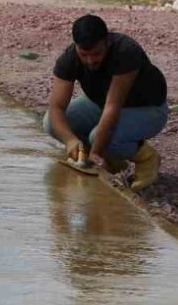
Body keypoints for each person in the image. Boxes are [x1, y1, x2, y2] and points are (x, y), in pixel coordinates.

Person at [43, 14, 168, 191]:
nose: (90, 60)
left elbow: (113, 107)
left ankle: (146, 158)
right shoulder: (68, 58)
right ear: (76, 47)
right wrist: (70, 140)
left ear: (107, 42)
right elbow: (56, 107)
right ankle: (111, 161)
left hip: (148, 108)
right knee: (50, 123)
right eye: (84, 54)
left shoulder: (125, 51)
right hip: (99, 103)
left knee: (99, 138)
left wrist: (95, 151)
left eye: (97, 53)